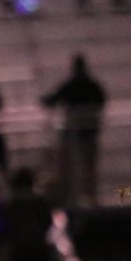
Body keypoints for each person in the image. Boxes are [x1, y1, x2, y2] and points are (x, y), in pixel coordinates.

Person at [43, 55, 106, 204]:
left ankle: (74, 197)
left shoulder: (73, 85)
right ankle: (90, 196)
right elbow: (102, 102)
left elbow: (53, 100)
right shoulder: (92, 85)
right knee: (88, 168)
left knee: (73, 167)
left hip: (76, 135)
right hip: (88, 133)